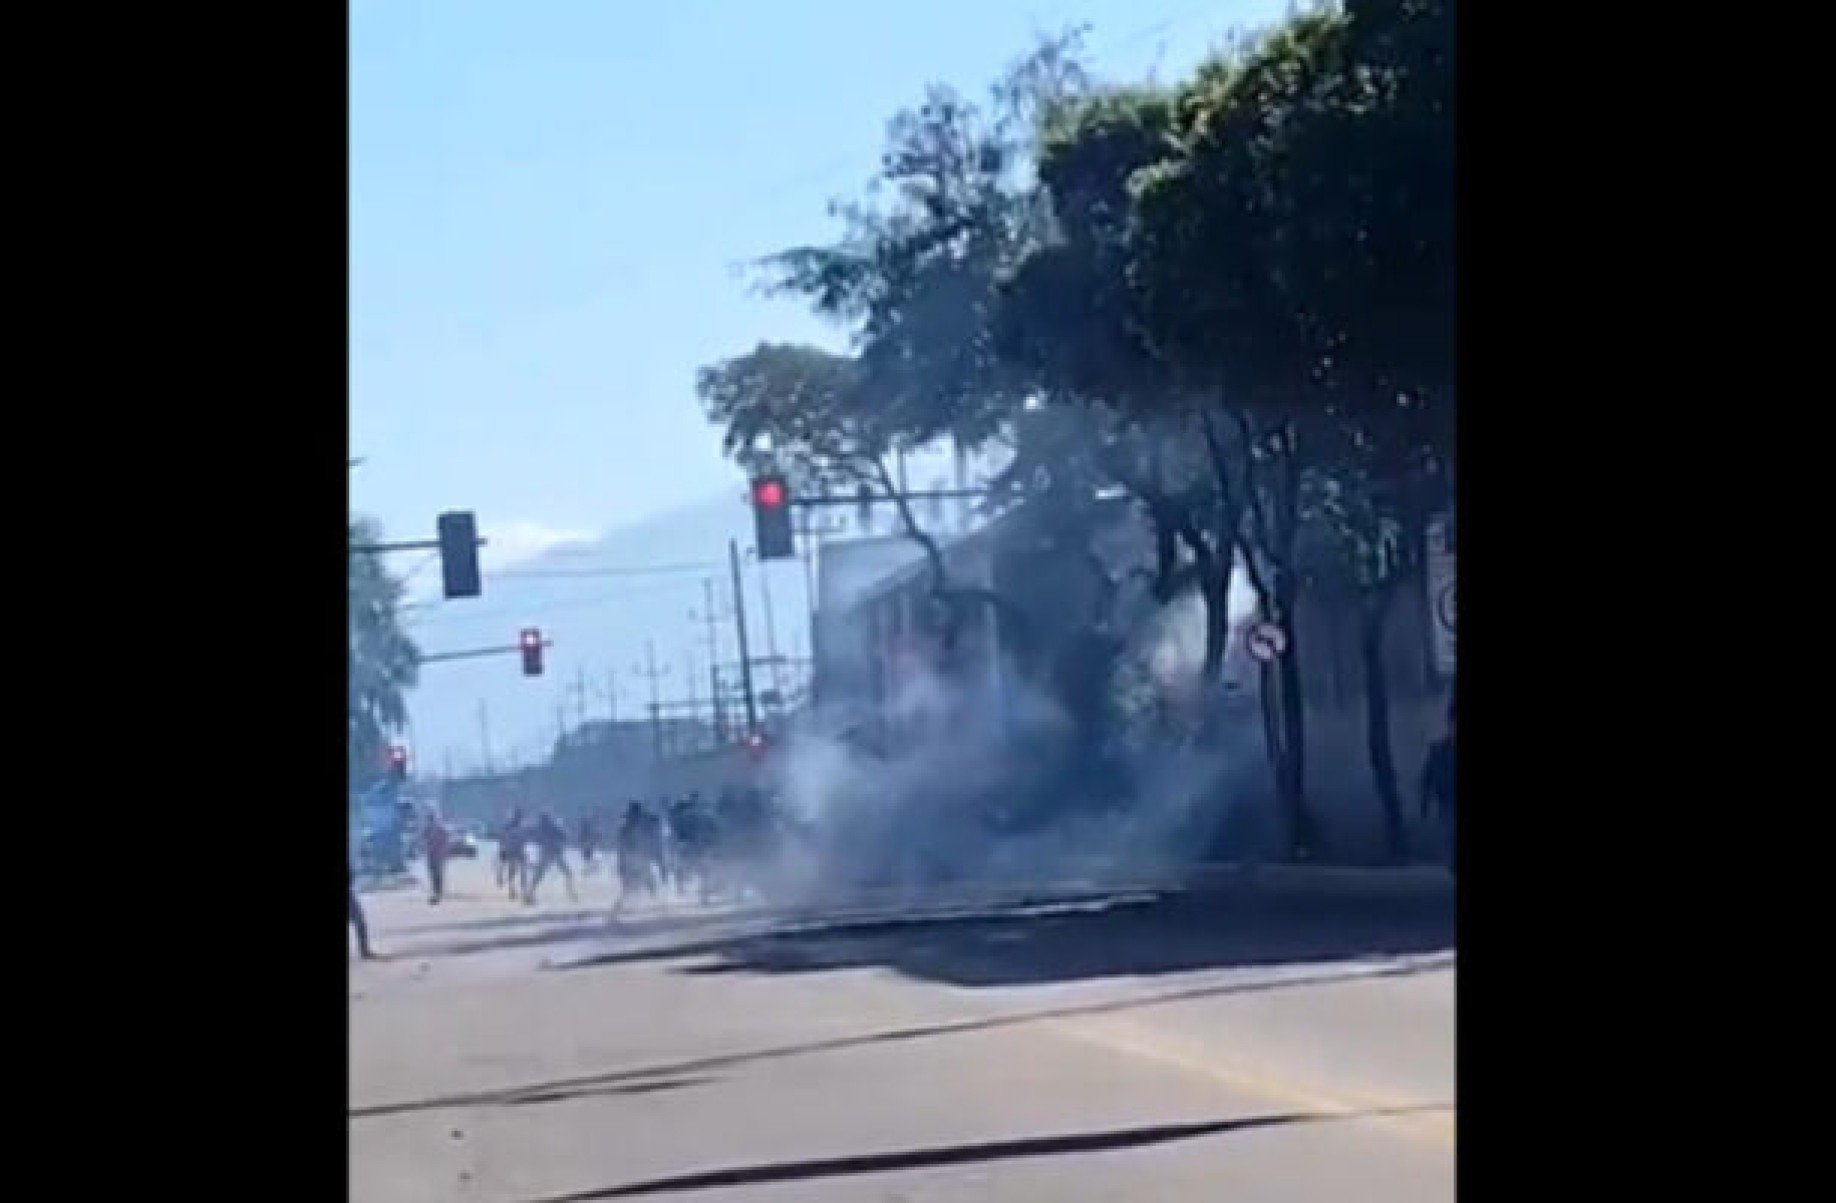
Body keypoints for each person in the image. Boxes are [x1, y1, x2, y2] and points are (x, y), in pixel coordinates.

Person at [1420, 704, 1456, 875]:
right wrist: (1425, 803)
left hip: (1447, 800)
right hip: (1448, 800)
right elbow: (1428, 777)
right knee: (1450, 836)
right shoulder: (1438, 750)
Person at [527, 809, 576, 905]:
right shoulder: (553, 826)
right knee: (567, 873)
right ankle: (571, 893)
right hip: (554, 853)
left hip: (548, 853)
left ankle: (530, 894)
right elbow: (564, 837)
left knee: (539, 875)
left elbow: (535, 838)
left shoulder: (541, 828)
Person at [422, 806, 452, 905]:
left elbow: (447, 839)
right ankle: (436, 892)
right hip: (432, 854)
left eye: (431, 817)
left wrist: (444, 850)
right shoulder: (428, 828)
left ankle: (438, 893)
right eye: (429, 818)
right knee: (433, 874)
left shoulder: (441, 828)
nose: (430, 819)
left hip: (438, 854)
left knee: (437, 874)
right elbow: (423, 840)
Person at [498, 808, 530, 901]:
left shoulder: (510, 826)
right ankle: (516, 891)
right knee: (518, 871)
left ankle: (515, 891)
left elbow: (502, 839)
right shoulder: (520, 827)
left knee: (516, 871)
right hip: (514, 850)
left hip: (514, 850)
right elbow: (503, 839)